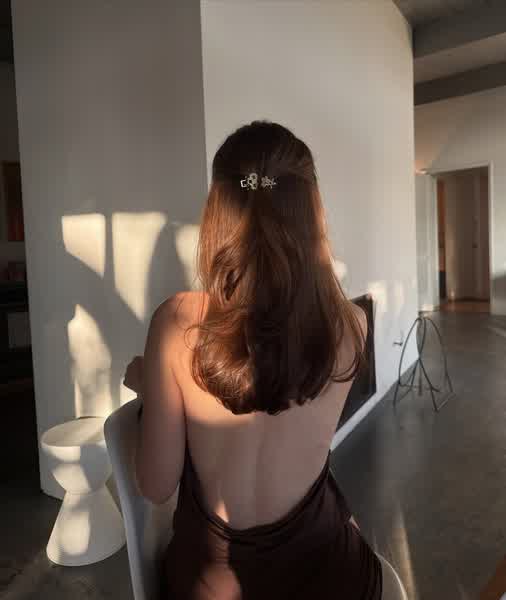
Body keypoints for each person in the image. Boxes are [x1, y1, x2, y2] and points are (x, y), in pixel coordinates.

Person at [123, 121, 383, 599]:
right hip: (332, 578)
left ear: (217, 213)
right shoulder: (352, 325)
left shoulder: (176, 323)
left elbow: (155, 486)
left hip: (212, 586)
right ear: (312, 210)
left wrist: (154, 387)